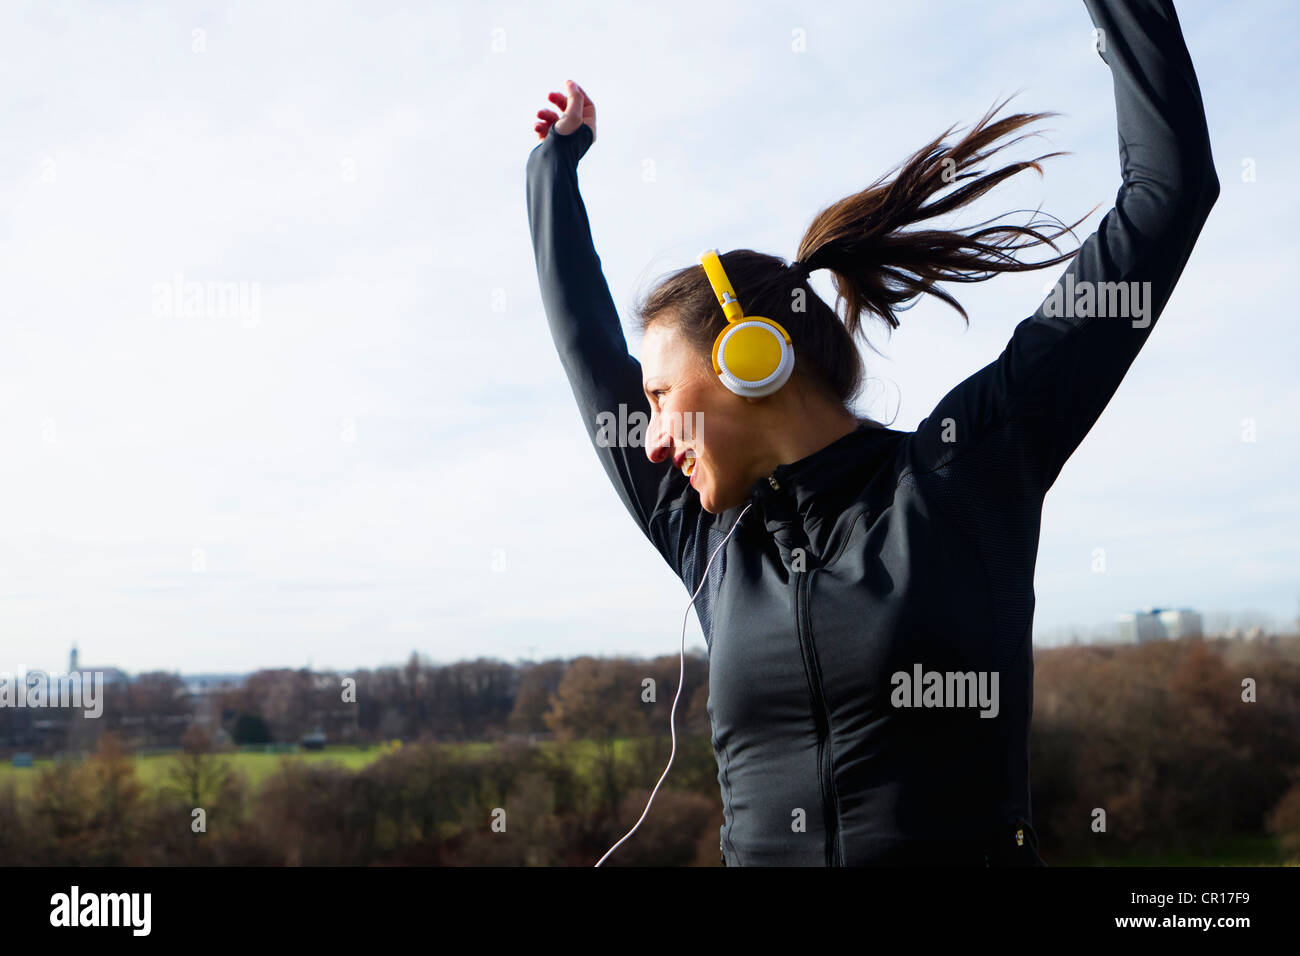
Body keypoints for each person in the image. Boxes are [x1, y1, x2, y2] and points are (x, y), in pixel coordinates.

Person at [525, 0, 1218, 866]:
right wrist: (551, 171)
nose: (651, 437)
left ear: (751, 358)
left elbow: (1168, 196)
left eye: (662, 393)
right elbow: (587, 352)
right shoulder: (708, 534)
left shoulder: (963, 475)